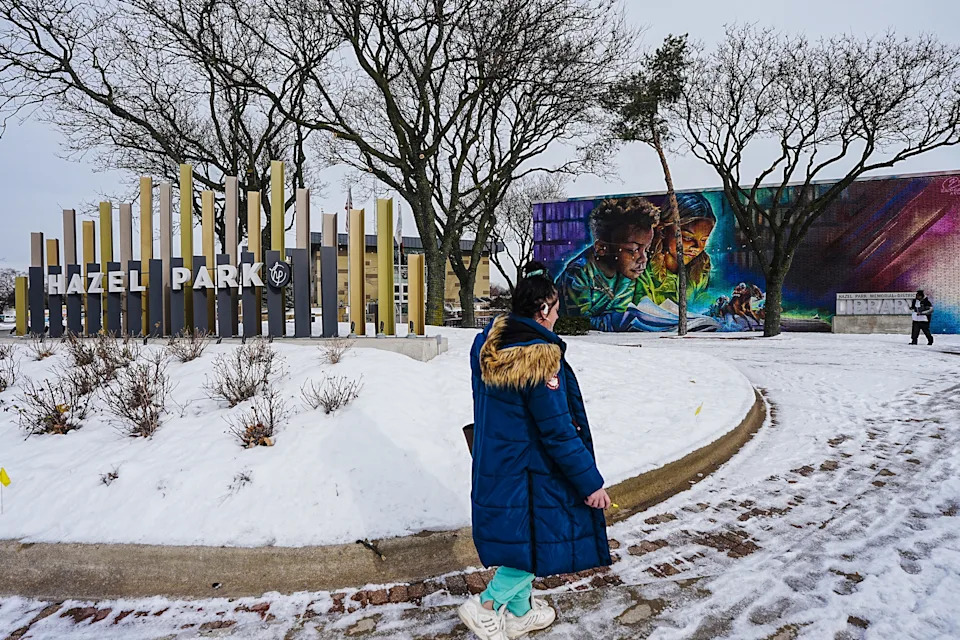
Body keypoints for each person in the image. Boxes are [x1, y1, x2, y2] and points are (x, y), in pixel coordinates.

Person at [459, 262, 612, 640]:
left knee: (525, 540)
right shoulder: (539, 359)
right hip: (531, 471)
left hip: (498, 462)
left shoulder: (490, 344)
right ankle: (487, 605)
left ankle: (520, 613)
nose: (558, 317)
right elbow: (558, 431)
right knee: (539, 543)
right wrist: (591, 484)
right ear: (543, 308)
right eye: (556, 309)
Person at [555, 196, 659, 331]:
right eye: (633, 249)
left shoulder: (627, 274)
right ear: (601, 248)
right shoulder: (578, 273)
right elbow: (580, 323)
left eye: (647, 249)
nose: (643, 258)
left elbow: (618, 313)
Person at [639, 192, 716, 305]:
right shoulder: (642, 266)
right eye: (687, 237)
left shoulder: (701, 268)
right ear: (663, 230)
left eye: (704, 240)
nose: (697, 247)